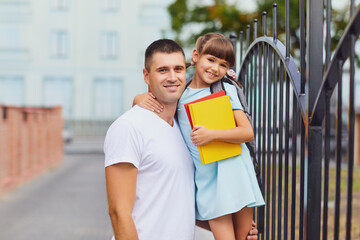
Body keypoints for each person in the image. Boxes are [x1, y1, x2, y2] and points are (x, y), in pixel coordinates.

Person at [105, 38, 259, 240]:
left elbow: (178, 202)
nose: (172, 77)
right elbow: (118, 212)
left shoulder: (181, 126)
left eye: (178, 69)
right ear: (146, 75)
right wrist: (138, 99)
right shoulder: (129, 127)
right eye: (162, 70)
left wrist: (234, 224)